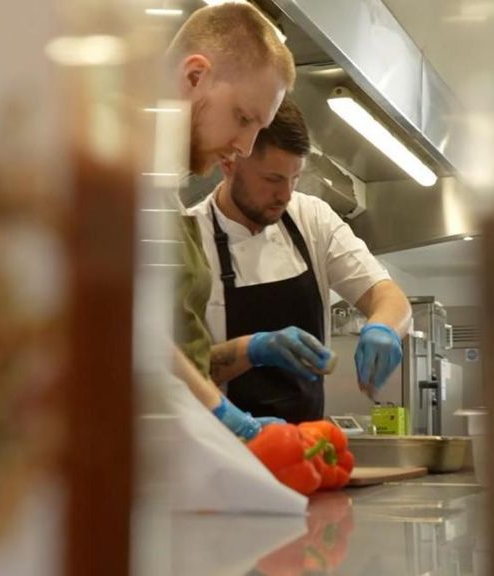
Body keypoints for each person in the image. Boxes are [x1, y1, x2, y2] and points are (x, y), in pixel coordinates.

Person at [189, 98, 412, 423]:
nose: (286, 194)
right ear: (229, 163)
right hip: (222, 451)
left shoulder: (312, 218)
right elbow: (176, 372)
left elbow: (388, 295)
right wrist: (252, 351)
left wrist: (384, 328)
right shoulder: (189, 238)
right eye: (273, 179)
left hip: (308, 450)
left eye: (295, 178)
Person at [159, 2, 296, 438]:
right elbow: (130, 333)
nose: (245, 145)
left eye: (260, 127)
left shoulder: (164, 190)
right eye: (242, 117)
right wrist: (224, 416)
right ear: (195, 76)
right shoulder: (111, 173)